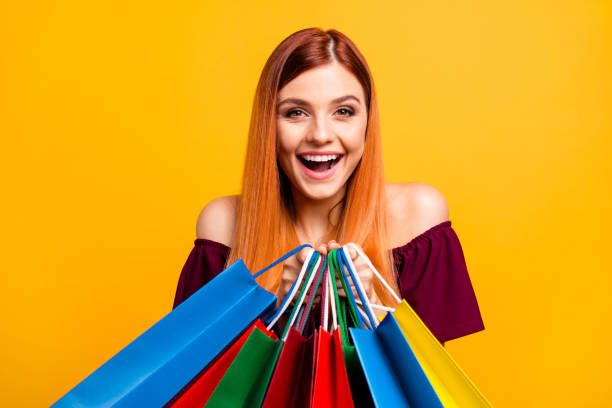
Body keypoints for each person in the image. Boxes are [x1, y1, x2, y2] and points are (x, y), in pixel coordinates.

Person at [172, 27, 484, 345]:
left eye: (343, 112)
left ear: (367, 121)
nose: (320, 134)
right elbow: (203, 385)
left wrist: (371, 311)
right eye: (295, 112)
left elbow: (427, 388)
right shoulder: (222, 226)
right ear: (269, 125)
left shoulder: (418, 216)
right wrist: (278, 312)